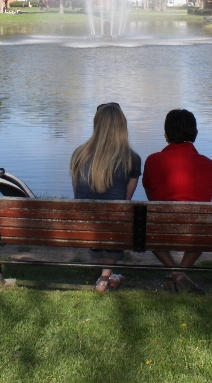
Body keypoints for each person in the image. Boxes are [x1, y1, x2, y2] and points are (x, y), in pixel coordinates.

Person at [143, 109, 212, 295]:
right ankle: (182, 273)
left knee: (145, 226)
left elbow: (151, 196)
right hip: (197, 232)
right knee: (203, 225)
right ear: (196, 133)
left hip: (162, 227)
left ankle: (175, 273)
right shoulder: (210, 165)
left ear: (166, 135)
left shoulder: (153, 161)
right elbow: (206, 198)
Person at [70, 103, 141, 292]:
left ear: (96, 124)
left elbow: (78, 194)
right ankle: (104, 279)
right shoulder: (132, 158)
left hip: (86, 225)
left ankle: (106, 275)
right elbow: (125, 199)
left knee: (104, 216)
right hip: (113, 225)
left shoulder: (79, 154)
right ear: (122, 126)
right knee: (117, 216)